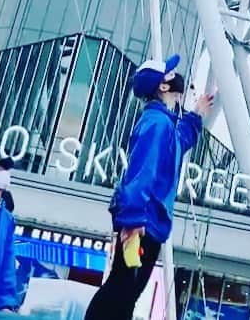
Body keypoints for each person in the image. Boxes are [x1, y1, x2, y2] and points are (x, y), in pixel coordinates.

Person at [85, 54, 214, 320]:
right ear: (163, 86)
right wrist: (133, 219)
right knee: (121, 289)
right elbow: (141, 172)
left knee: (126, 291)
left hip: (146, 220)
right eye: (169, 73)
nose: (176, 76)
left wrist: (196, 116)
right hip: (142, 221)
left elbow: (178, 144)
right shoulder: (157, 124)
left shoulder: (162, 123)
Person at [0, 157, 19, 312]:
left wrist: (6, 304)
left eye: (4, 171)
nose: (3, 174)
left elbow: (7, 263)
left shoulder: (7, 219)